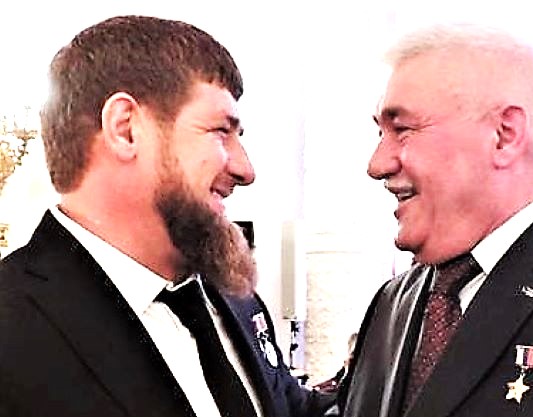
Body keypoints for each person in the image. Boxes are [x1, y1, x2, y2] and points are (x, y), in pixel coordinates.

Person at [0, 15, 332, 417]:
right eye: (221, 131)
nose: (245, 169)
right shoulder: (13, 325)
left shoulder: (236, 301)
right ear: (126, 129)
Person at [339, 23, 533, 417]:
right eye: (380, 133)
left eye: (402, 130)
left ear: (504, 135)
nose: (377, 165)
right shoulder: (393, 303)